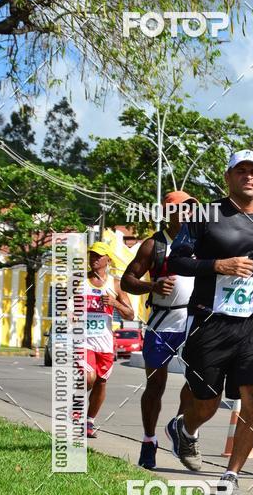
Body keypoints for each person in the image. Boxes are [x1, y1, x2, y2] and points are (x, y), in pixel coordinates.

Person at [167, 149, 253, 495]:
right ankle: (184, 427)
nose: (248, 176)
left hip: (251, 324)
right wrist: (218, 266)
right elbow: (176, 260)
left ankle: (231, 476)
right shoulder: (204, 215)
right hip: (209, 322)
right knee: (205, 404)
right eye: (240, 171)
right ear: (228, 178)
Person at [121, 190, 196, 469]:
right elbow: (127, 280)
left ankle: (177, 426)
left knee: (197, 382)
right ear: (168, 212)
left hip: (194, 321)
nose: (187, 213)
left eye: (191, 208)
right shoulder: (153, 245)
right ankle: (149, 440)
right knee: (155, 385)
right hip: (162, 322)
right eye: (180, 208)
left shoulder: (202, 241)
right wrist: (152, 286)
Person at [82, 241, 135, 438]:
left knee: (101, 382)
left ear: (107, 260)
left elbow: (130, 314)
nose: (94, 259)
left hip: (104, 341)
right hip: (82, 339)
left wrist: (115, 303)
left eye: (98, 256)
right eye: (92, 255)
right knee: (88, 378)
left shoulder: (115, 284)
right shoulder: (79, 281)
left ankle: (89, 421)